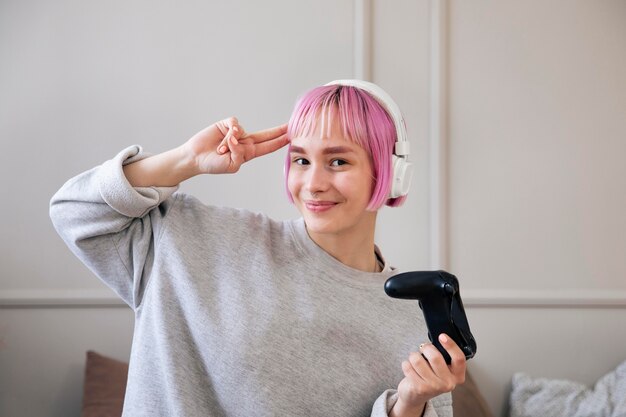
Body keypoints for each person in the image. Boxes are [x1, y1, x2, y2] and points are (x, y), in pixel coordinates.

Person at [50, 80, 466, 417]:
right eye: (301, 160)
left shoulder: (411, 314)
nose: (313, 183)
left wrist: (408, 407)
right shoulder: (193, 238)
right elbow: (74, 212)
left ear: (392, 174)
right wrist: (186, 160)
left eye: (338, 162)